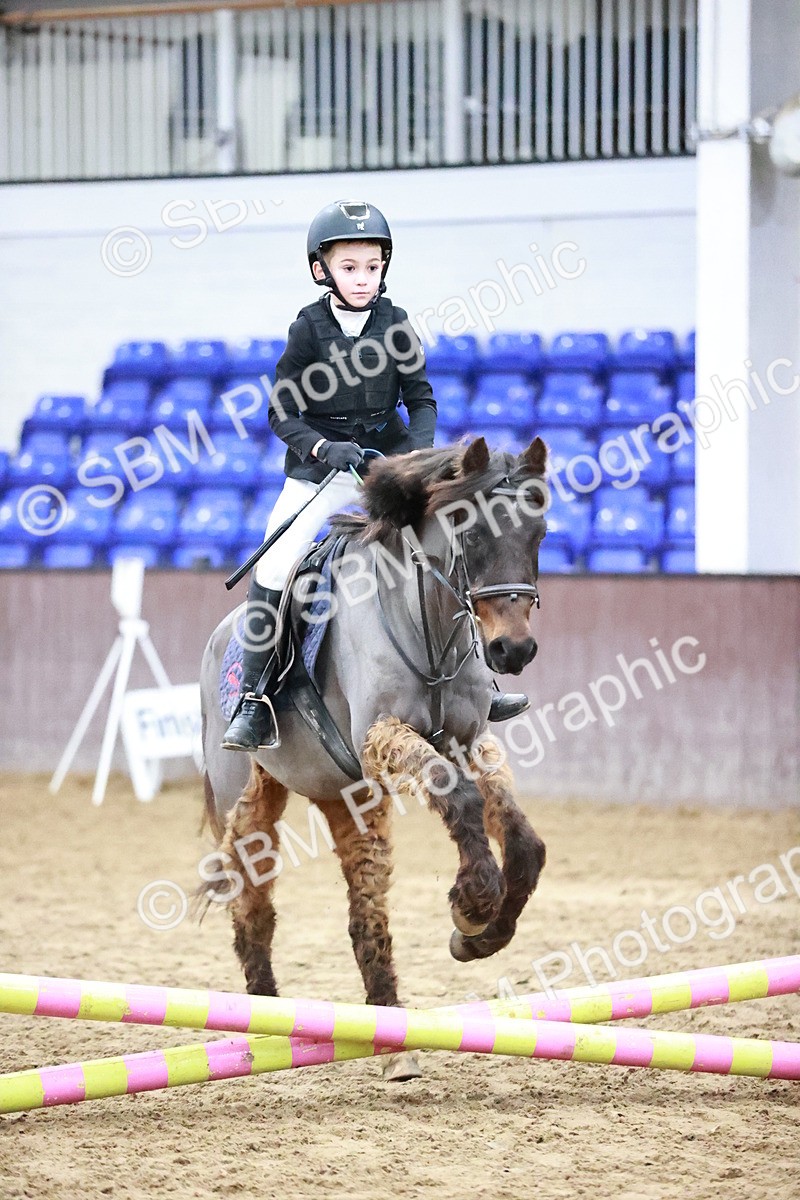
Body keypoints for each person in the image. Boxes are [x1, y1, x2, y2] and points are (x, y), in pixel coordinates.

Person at [223, 199, 528, 751]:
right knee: (273, 566)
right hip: (321, 470)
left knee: (451, 548)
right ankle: (255, 698)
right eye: (349, 268)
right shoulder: (308, 331)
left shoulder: (397, 324)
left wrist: (414, 458)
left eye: (371, 266)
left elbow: (422, 399)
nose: (362, 279)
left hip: (391, 468)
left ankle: (479, 681)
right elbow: (281, 412)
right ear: (323, 270)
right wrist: (320, 445)